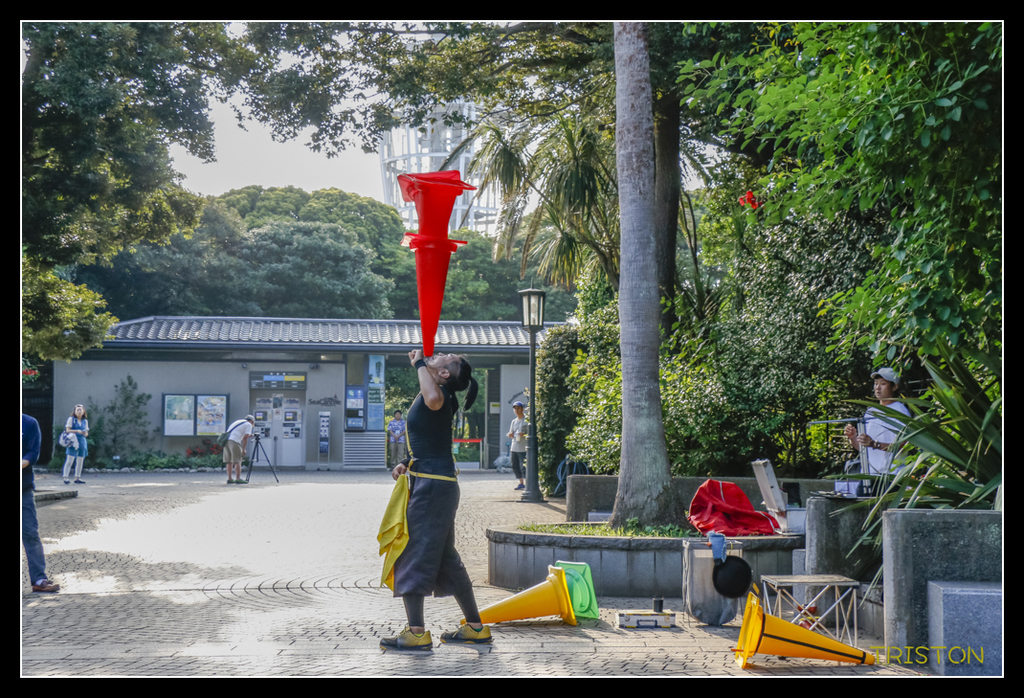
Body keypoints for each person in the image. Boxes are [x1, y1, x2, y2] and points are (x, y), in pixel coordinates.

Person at [381, 350, 491, 651]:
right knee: (446, 561)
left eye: (446, 357)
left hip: (431, 488)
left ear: (444, 374)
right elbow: (430, 437)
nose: (439, 353)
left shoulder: (438, 395)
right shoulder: (441, 393)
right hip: (436, 484)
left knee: (412, 553)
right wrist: (406, 461)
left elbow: (431, 400)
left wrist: (419, 363)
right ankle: (475, 628)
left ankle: (416, 632)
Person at [844, 368, 912, 479]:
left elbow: (902, 445)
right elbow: (863, 448)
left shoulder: (900, 411)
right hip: (868, 476)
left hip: (892, 477)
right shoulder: (871, 412)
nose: (877, 388)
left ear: (895, 386)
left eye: (883, 384)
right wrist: (852, 437)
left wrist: (874, 444)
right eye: (876, 384)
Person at [23, 414, 59, 593]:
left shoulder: (29, 423)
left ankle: (39, 579)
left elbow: (33, 453)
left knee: (30, 534)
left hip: (23, 490)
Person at [223, 415, 255, 484]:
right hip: (234, 441)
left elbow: (239, 432)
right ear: (252, 421)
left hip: (226, 441)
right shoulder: (248, 424)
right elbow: (245, 438)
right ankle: (238, 479)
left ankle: (230, 479)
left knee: (229, 461)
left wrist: (250, 435)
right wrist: (243, 449)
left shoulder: (239, 422)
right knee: (237, 460)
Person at [63, 404, 89, 485]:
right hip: (73, 441)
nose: (79, 411)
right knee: (70, 460)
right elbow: (67, 430)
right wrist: (77, 431)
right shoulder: (71, 419)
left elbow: (86, 434)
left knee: (80, 460)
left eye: (80, 409)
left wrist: (85, 433)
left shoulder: (85, 421)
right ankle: (65, 477)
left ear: (83, 411)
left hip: (82, 441)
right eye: (77, 409)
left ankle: (77, 477)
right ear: (74, 411)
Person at [507, 401, 528, 490]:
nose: (516, 410)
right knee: (515, 466)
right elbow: (511, 432)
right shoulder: (514, 421)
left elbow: (530, 432)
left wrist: (525, 434)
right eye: (515, 408)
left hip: (523, 448)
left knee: (523, 466)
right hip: (514, 447)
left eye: (518, 408)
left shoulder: (526, 420)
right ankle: (521, 483)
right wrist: (510, 434)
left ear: (522, 409)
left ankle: (527, 483)